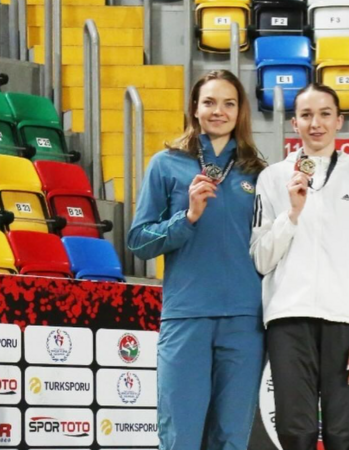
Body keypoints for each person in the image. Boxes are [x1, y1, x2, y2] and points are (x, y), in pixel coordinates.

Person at [127, 70, 266, 450]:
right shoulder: (166, 164)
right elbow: (138, 242)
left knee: (231, 437)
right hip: (186, 315)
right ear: (194, 107)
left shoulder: (259, 172)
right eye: (209, 102)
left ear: (241, 112)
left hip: (244, 320)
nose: (218, 111)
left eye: (229, 103)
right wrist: (186, 218)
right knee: (180, 436)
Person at [250, 83, 349, 450]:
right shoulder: (271, 178)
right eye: (307, 115)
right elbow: (261, 260)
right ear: (294, 123)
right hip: (288, 320)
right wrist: (291, 214)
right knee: (295, 434)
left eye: (325, 114)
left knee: (343, 435)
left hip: (346, 324)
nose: (316, 123)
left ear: (339, 121)